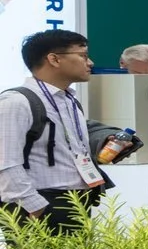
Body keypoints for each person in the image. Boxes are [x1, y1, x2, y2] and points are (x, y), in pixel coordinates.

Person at [1, 29, 107, 232]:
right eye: (83, 55)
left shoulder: (69, 100)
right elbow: (5, 163)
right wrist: (36, 207)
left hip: (76, 201)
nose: (90, 62)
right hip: (39, 205)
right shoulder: (16, 102)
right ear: (54, 59)